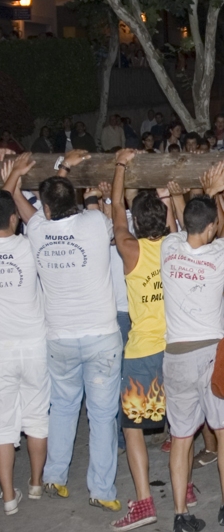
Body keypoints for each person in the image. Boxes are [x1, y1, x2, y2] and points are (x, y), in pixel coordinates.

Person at [17, 149, 123, 512]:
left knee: (61, 408)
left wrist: (62, 167)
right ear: (76, 202)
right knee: (103, 415)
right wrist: (96, 192)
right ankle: (102, 490)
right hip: (100, 338)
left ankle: (54, 477)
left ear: (46, 208)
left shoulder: (36, 230)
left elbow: (20, 201)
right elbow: (101, 211)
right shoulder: (93, 224)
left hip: (59, 338)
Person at [0, 163, 49, 516]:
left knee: (1, 425)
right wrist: (18, 175)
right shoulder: (27, 247)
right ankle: (35, 483)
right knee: (36, 418)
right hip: (34, 343)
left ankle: (8, 497)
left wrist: (10, 177)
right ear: (15, 219)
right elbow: (24, 216)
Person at [110, 149, 174, 531]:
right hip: (175, 349)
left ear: (136, 221)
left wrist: (121, 166)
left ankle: (144, 503)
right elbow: (179, 219)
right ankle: (186, 486)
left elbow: (116, 205)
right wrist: (171, 196)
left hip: (142, 353)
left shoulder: (129, 249)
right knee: (182, 425)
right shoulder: (178, 246)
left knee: (132, 427)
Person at [161, 164, 224, 532]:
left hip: (176, 357)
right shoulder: (218, 257)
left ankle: (181, 514)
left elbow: (185, 229)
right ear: (213, 227)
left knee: (182, 439)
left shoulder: (169, 248)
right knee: (222, 431)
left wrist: (183, 198)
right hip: (212, 355)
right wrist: (217, 192)